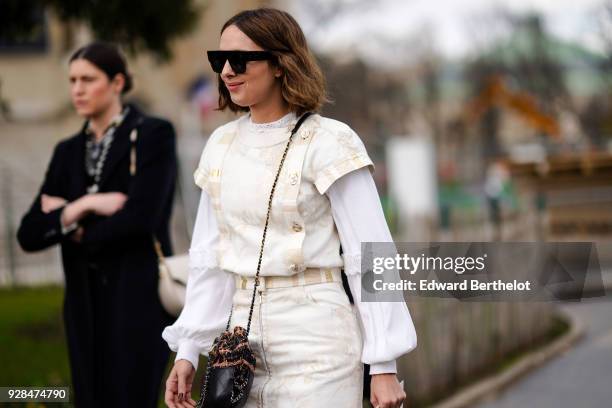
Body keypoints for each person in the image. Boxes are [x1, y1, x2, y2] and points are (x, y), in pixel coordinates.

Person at [162, 8, 417, 408]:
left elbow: (371, 254)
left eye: (241, 59)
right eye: (219, 60)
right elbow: (210, 258)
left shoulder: (330, 141)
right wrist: (189, 348)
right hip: (239, 341)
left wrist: (383, 362)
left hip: (318, 338)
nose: (227, 70)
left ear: (281, 63)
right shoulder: (220, 146)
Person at [17, 42, 177, 407]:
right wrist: (86, 205)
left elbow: (142, 218)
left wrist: (67, 222)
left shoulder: (152, 135)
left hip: (136, 301)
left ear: (117, 82)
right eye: (72, 80)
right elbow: (28, 233)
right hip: (82, 307)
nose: (77, 89)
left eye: (88, 79)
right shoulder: (67, 152)